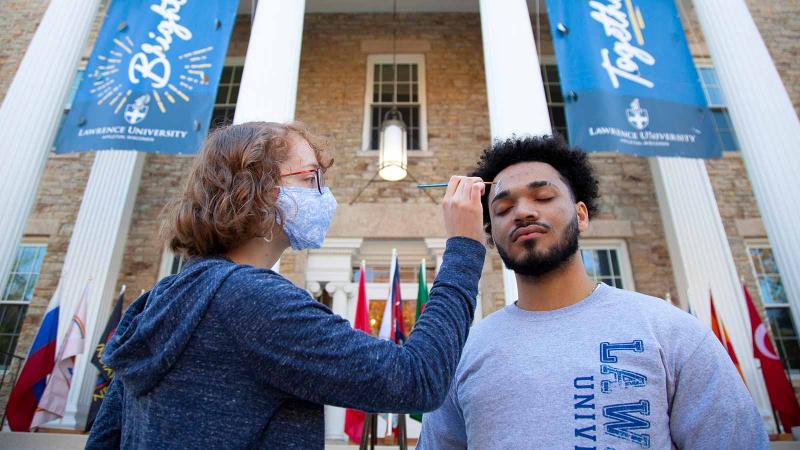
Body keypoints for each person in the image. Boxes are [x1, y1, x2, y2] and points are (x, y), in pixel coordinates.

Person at [86, 122, 487, 449]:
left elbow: (105, 439)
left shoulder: (159, 300)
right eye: (312, 178)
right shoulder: (253, 301)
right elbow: (417, 378)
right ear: (259, 190)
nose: (324, 195)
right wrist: (464, 248)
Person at [418, 136, 768, 449]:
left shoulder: (669, 331)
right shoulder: (465, 354)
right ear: (491, 235)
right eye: (503, 209)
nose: (523, 212)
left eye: (543, 196)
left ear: (581, 215)